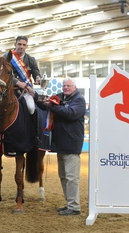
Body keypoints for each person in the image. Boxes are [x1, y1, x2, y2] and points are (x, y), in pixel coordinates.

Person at [27, 77, 86, 216]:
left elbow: (70, 114)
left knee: (72, 177)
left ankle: (75, 207)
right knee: (64, 176)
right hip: (61, 143)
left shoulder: (79, 100)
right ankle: (69, 204)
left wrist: (52, 106)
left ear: (74, 87)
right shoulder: (60, 97)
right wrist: (33, 94)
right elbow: (45, 102)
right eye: (64, 85)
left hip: (72, 144)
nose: (65, 87)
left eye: (68, 85)